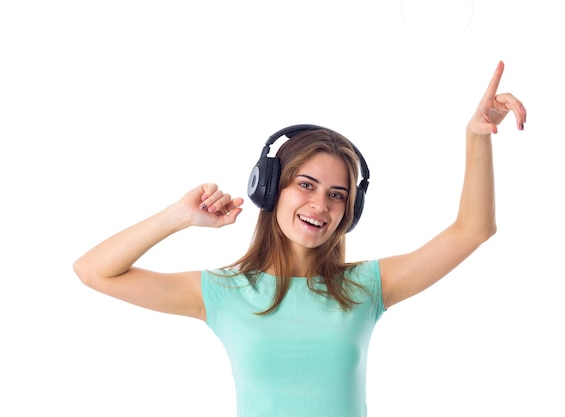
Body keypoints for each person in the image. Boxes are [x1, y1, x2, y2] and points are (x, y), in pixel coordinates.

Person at [74, 61, 526, 417]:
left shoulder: (367, 288)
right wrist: (178, 216)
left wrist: (475, 136)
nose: (320, 205)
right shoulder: (223, 292)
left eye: (336, 195)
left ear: (349, 212)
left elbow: (473, 229)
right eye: (305, 185)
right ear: (272, 187)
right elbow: (93, 271)